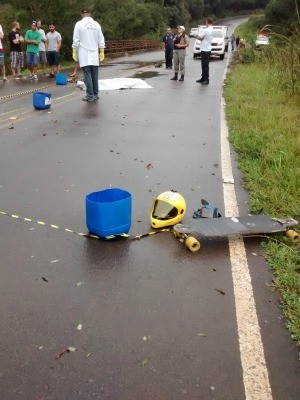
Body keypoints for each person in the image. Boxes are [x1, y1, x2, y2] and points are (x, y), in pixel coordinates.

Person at [72, 7, 105, 102]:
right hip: (94, 52)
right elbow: (101, 38)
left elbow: (76, 39)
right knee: (94, 74)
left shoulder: (79, 24)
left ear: (82, 14)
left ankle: (90, 95)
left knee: (87, 74)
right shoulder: (96, 24)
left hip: (84, 52)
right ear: (90, 14)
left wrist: (74, 50)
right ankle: (95, 94)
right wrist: (101, 51)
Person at [196, 18, 213, 85]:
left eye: (205, 22)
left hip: (204, 49)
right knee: (205, 65)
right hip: (208, 48)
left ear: (207, 22)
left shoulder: (206, 30)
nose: (205, 24)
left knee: (205, 65)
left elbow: (199, 37)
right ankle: (203, 78)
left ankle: (206, 79)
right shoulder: (213, 29)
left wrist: (196, 36)